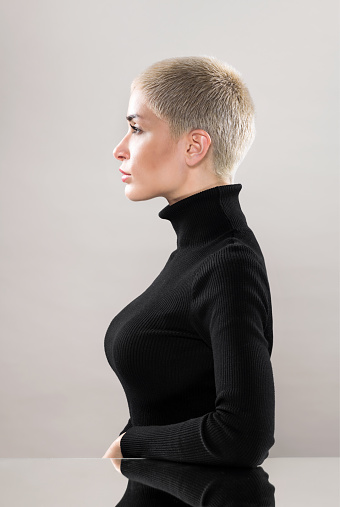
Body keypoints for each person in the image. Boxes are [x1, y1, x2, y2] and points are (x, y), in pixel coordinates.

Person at [102, 56, 275, 470]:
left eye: (136, 128)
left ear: (194, 147)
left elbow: (244, 436)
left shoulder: (228, 262)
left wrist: (133, 444)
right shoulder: (197, 253)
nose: (119, 149)